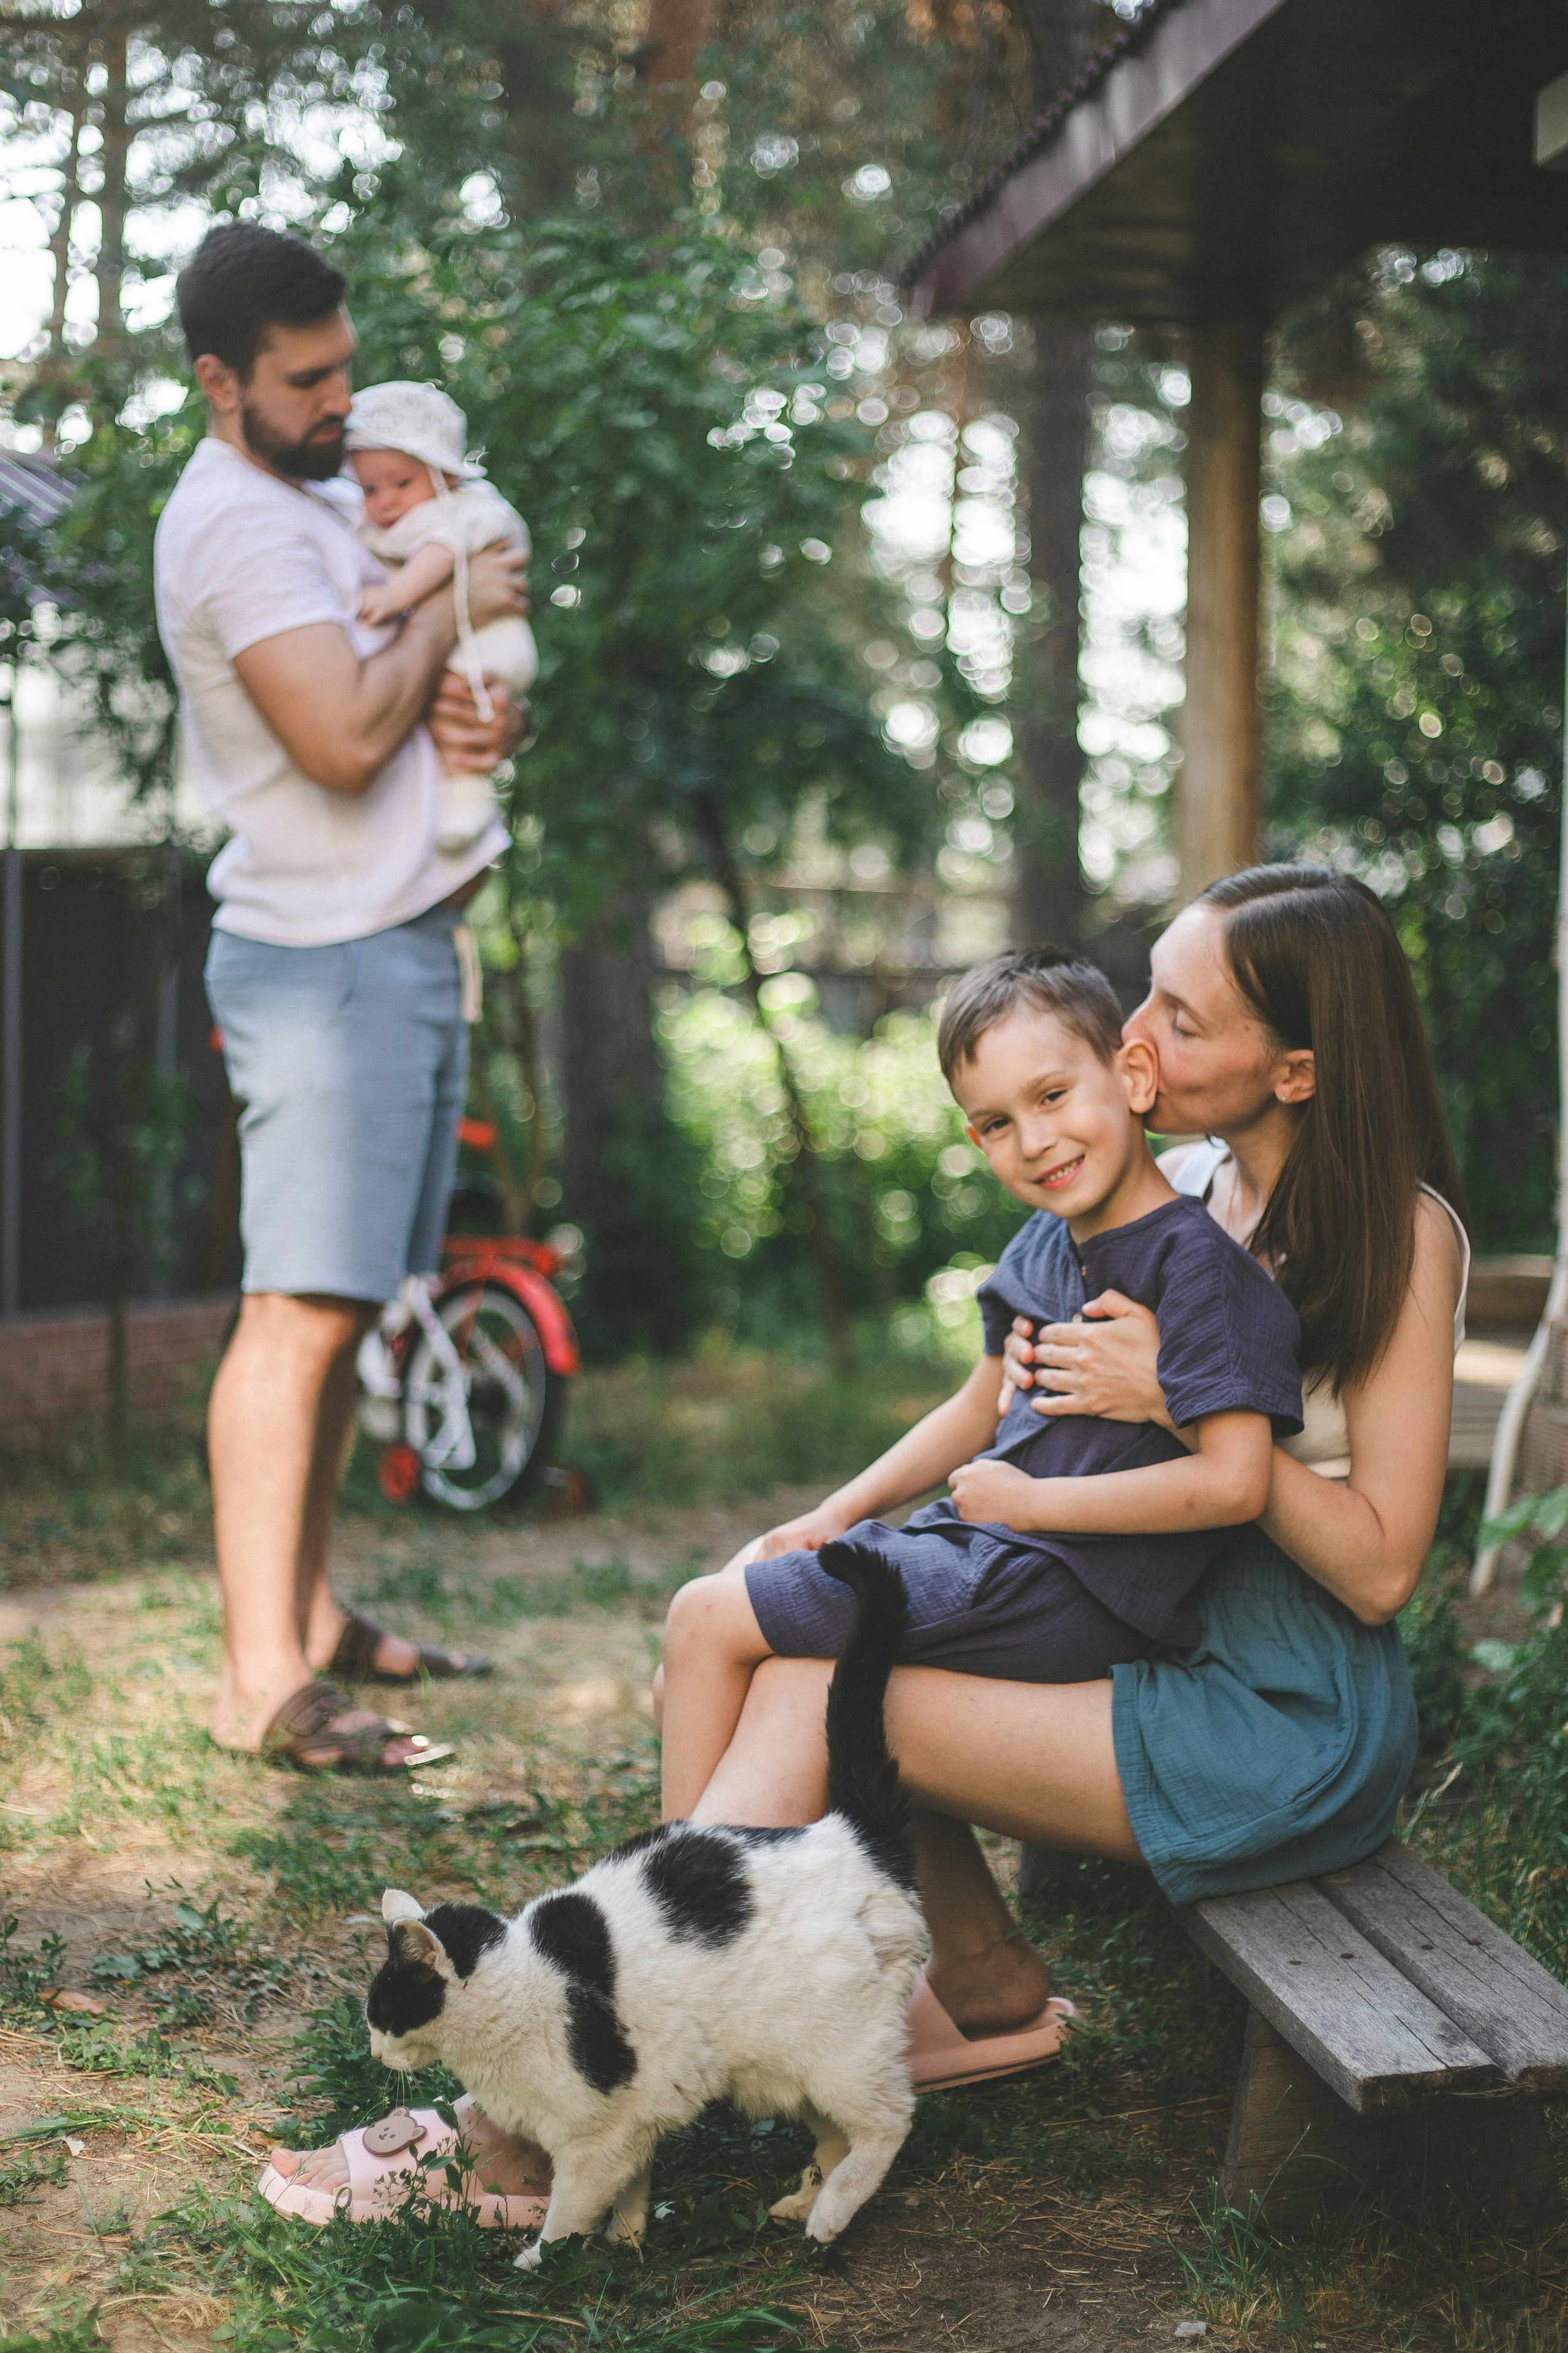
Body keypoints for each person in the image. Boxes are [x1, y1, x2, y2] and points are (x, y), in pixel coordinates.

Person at [260, 859, 1468, 2215]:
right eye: (1144, 998)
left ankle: (524, 2121)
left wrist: (1173, 1404)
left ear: (1293, 1069)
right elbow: (992, 1398)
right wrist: (846, 1509)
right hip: (1129, 1625)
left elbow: (1380, 1566)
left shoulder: (1398, 1238)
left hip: (1274, 1713)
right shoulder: (1173, 1180)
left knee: (819, 1687)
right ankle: (974, 1998)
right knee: (758, 1656)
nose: (1135, 1037)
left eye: (1181, 1022)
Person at [155, 222, 529, 1775]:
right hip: (322, 964)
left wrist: (472, 707)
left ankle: (307, 1613)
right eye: (306, 380)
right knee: (294, 1312)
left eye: (346, 367)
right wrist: (453, 594)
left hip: (396, 944)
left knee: (348, 1300)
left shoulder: (316, 494)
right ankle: (261, 1679)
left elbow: (419, 688)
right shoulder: (234, 526)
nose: (340, 403)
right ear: (218, 380)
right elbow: (336, 741)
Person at [658, 946, 1303, 1820]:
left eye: (1052, 1096)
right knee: (757, 1634)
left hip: (1052, 1587)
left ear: (1132, 1072)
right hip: (991, 1556)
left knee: (705, 1617)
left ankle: (662, 1918)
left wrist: (1031, 1506)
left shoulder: (1197, 1269)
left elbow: (1235, 1482)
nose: (1035, 1142)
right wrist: (836, 1513)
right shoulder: (1045, 1242)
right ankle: (713, 1905)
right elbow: (975, 1405)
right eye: (997, 1123)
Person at [344, 380, 538, 857]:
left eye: (401, 483)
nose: (385, 500)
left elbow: (442, 553)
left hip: (490, 643)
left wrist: (394, 596)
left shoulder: (456, 511)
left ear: (445, 476)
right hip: (470, 637)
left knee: (458, 705)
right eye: (370, 488)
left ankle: (471, 799)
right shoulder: (394, 517)